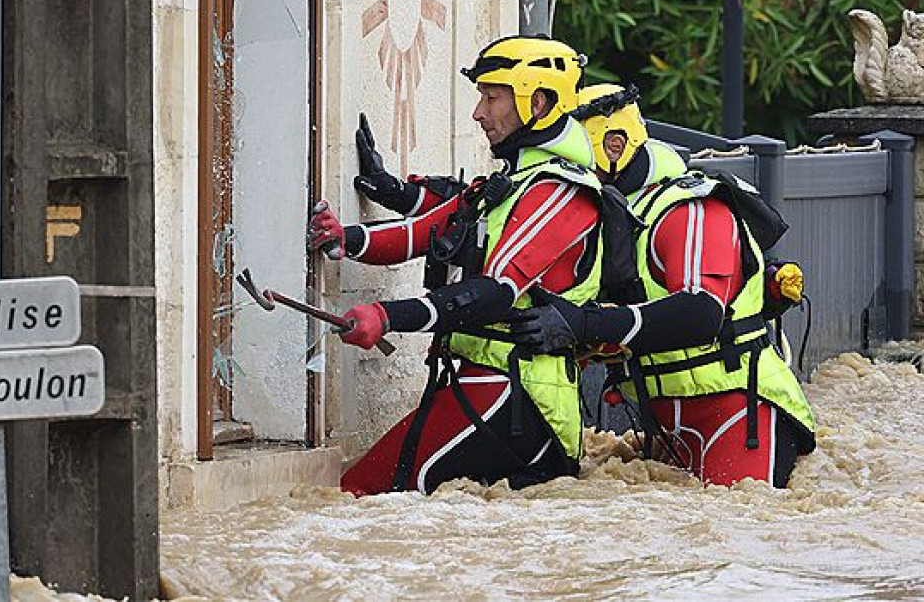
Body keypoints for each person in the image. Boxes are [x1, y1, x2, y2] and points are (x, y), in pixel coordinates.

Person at [307, 35, 604, 496]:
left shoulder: (561, 191)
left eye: (492, 97)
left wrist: (388, 317)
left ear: (538, 102)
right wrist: (343, 238)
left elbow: (496, 292)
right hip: (487, 389)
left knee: (354, 497)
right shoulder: (511, 185)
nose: (478, 113)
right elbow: (421, 232)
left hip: (520, 401)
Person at [516, 83, 817, 488]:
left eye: (572, 153)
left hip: (737, 415)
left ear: (615, 145)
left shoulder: (691, 209)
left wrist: (586, 324)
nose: (561, 168)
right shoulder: (610, 220)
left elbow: (700, 313)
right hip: (662, 427)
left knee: (735, 525)